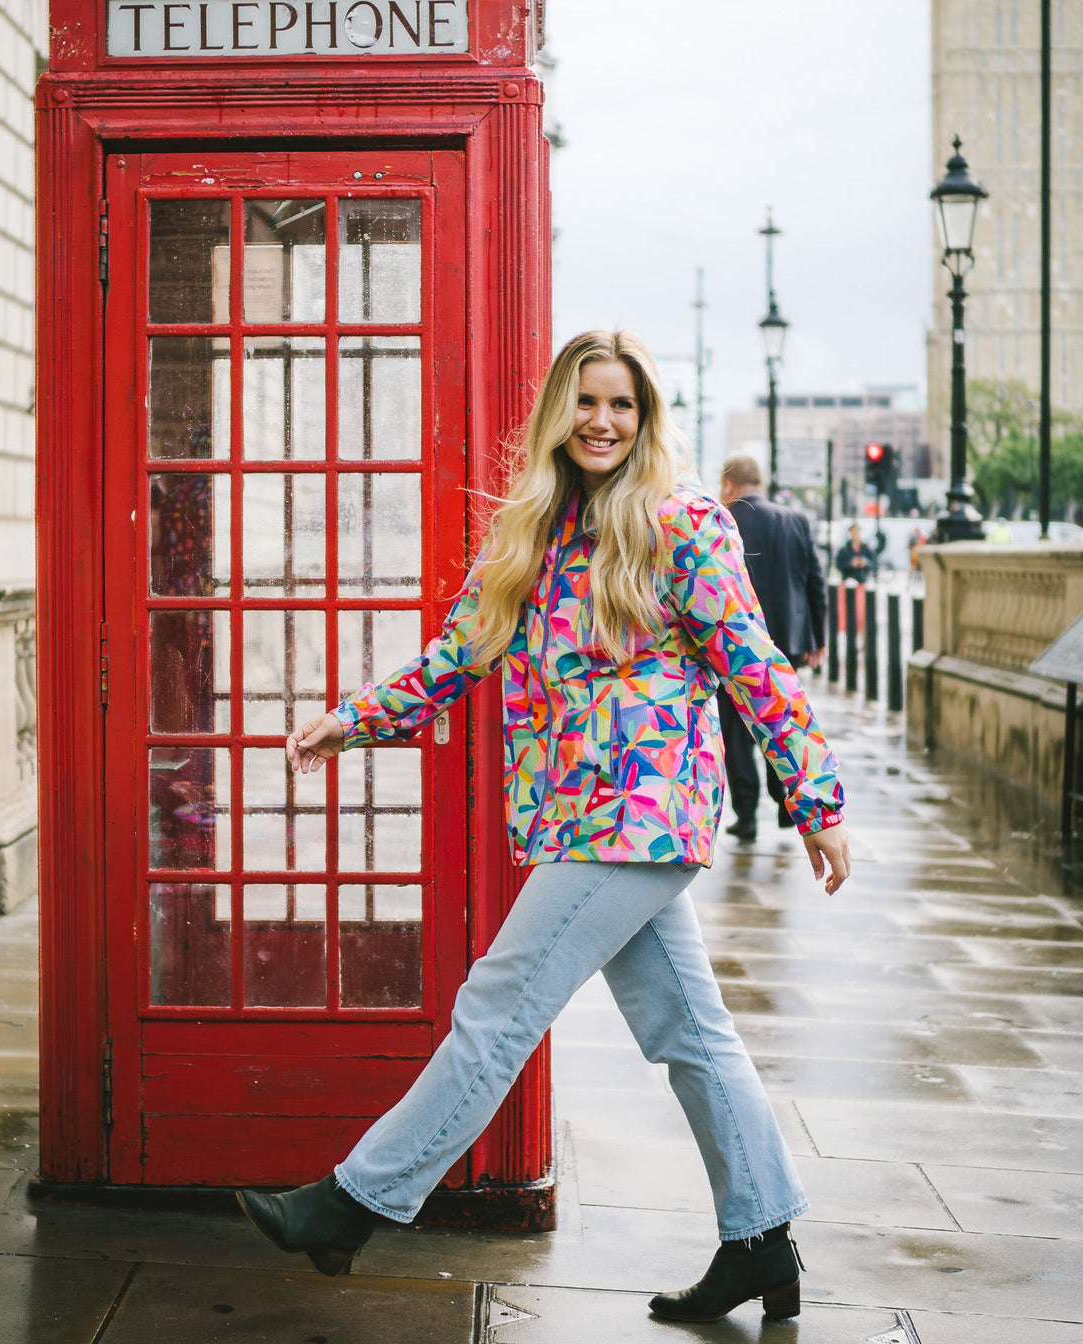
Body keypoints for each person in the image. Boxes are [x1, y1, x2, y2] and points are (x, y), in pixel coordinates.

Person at [235, 329, 850, 1326]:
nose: (603, 421)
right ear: (559, 414)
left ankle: (351, 1204)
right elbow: (455, 657)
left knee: (499, 1003)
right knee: (690, 1030)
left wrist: (813, 801)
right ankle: (762, 1240)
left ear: (646, 419)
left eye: (623, 405)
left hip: (641, 815)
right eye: (586, 402)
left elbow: (757, 665)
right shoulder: (532, 530)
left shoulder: (682, 524)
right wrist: (349, 721)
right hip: (580, 817)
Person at [716, 455, 827, 842]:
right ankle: (785, 804)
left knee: (737, 733)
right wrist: (818, 638)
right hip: (788, 641)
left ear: (729, 485)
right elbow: (816, 580)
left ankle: (745, 815)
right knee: (779, 719)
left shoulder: (723, 518)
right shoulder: (795, 520)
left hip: (735, 641)